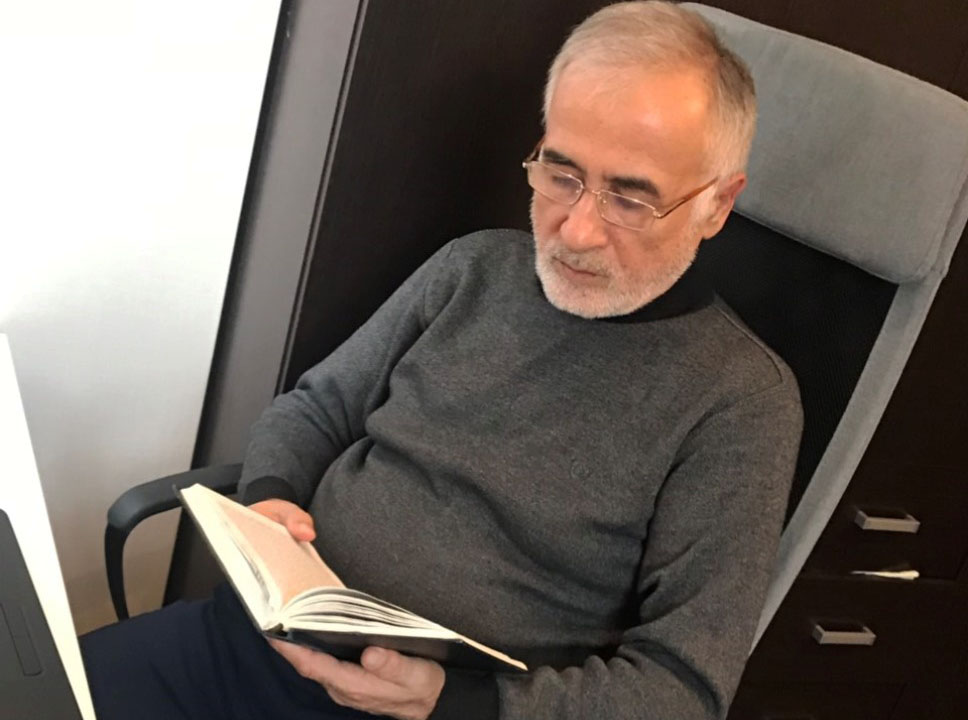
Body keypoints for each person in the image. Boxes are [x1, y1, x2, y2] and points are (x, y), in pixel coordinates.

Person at [80, 2, 802, 719]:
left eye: (630, 199)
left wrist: (454, 701)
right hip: (252, 643)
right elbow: (316, 407)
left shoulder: (739, 400)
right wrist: (272, 497)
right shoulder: (472, 270)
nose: (577, 231)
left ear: (717, 205)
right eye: (561, 175)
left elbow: (683, 690)